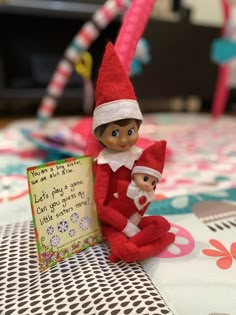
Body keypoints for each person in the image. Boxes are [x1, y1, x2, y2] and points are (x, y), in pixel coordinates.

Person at [92, 42, 174, 262]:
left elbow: (146, 184)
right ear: (99, 136)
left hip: (135, 217)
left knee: (163, 224)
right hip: (115, 223)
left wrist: (136, 220)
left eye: (130, 131)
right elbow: (100, 205)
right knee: (129, 253)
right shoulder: (104, 163)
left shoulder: (139, 156)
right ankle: (130, 248)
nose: (124, 139)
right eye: (114, 133)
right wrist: (127, 228)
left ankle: (151, 242)